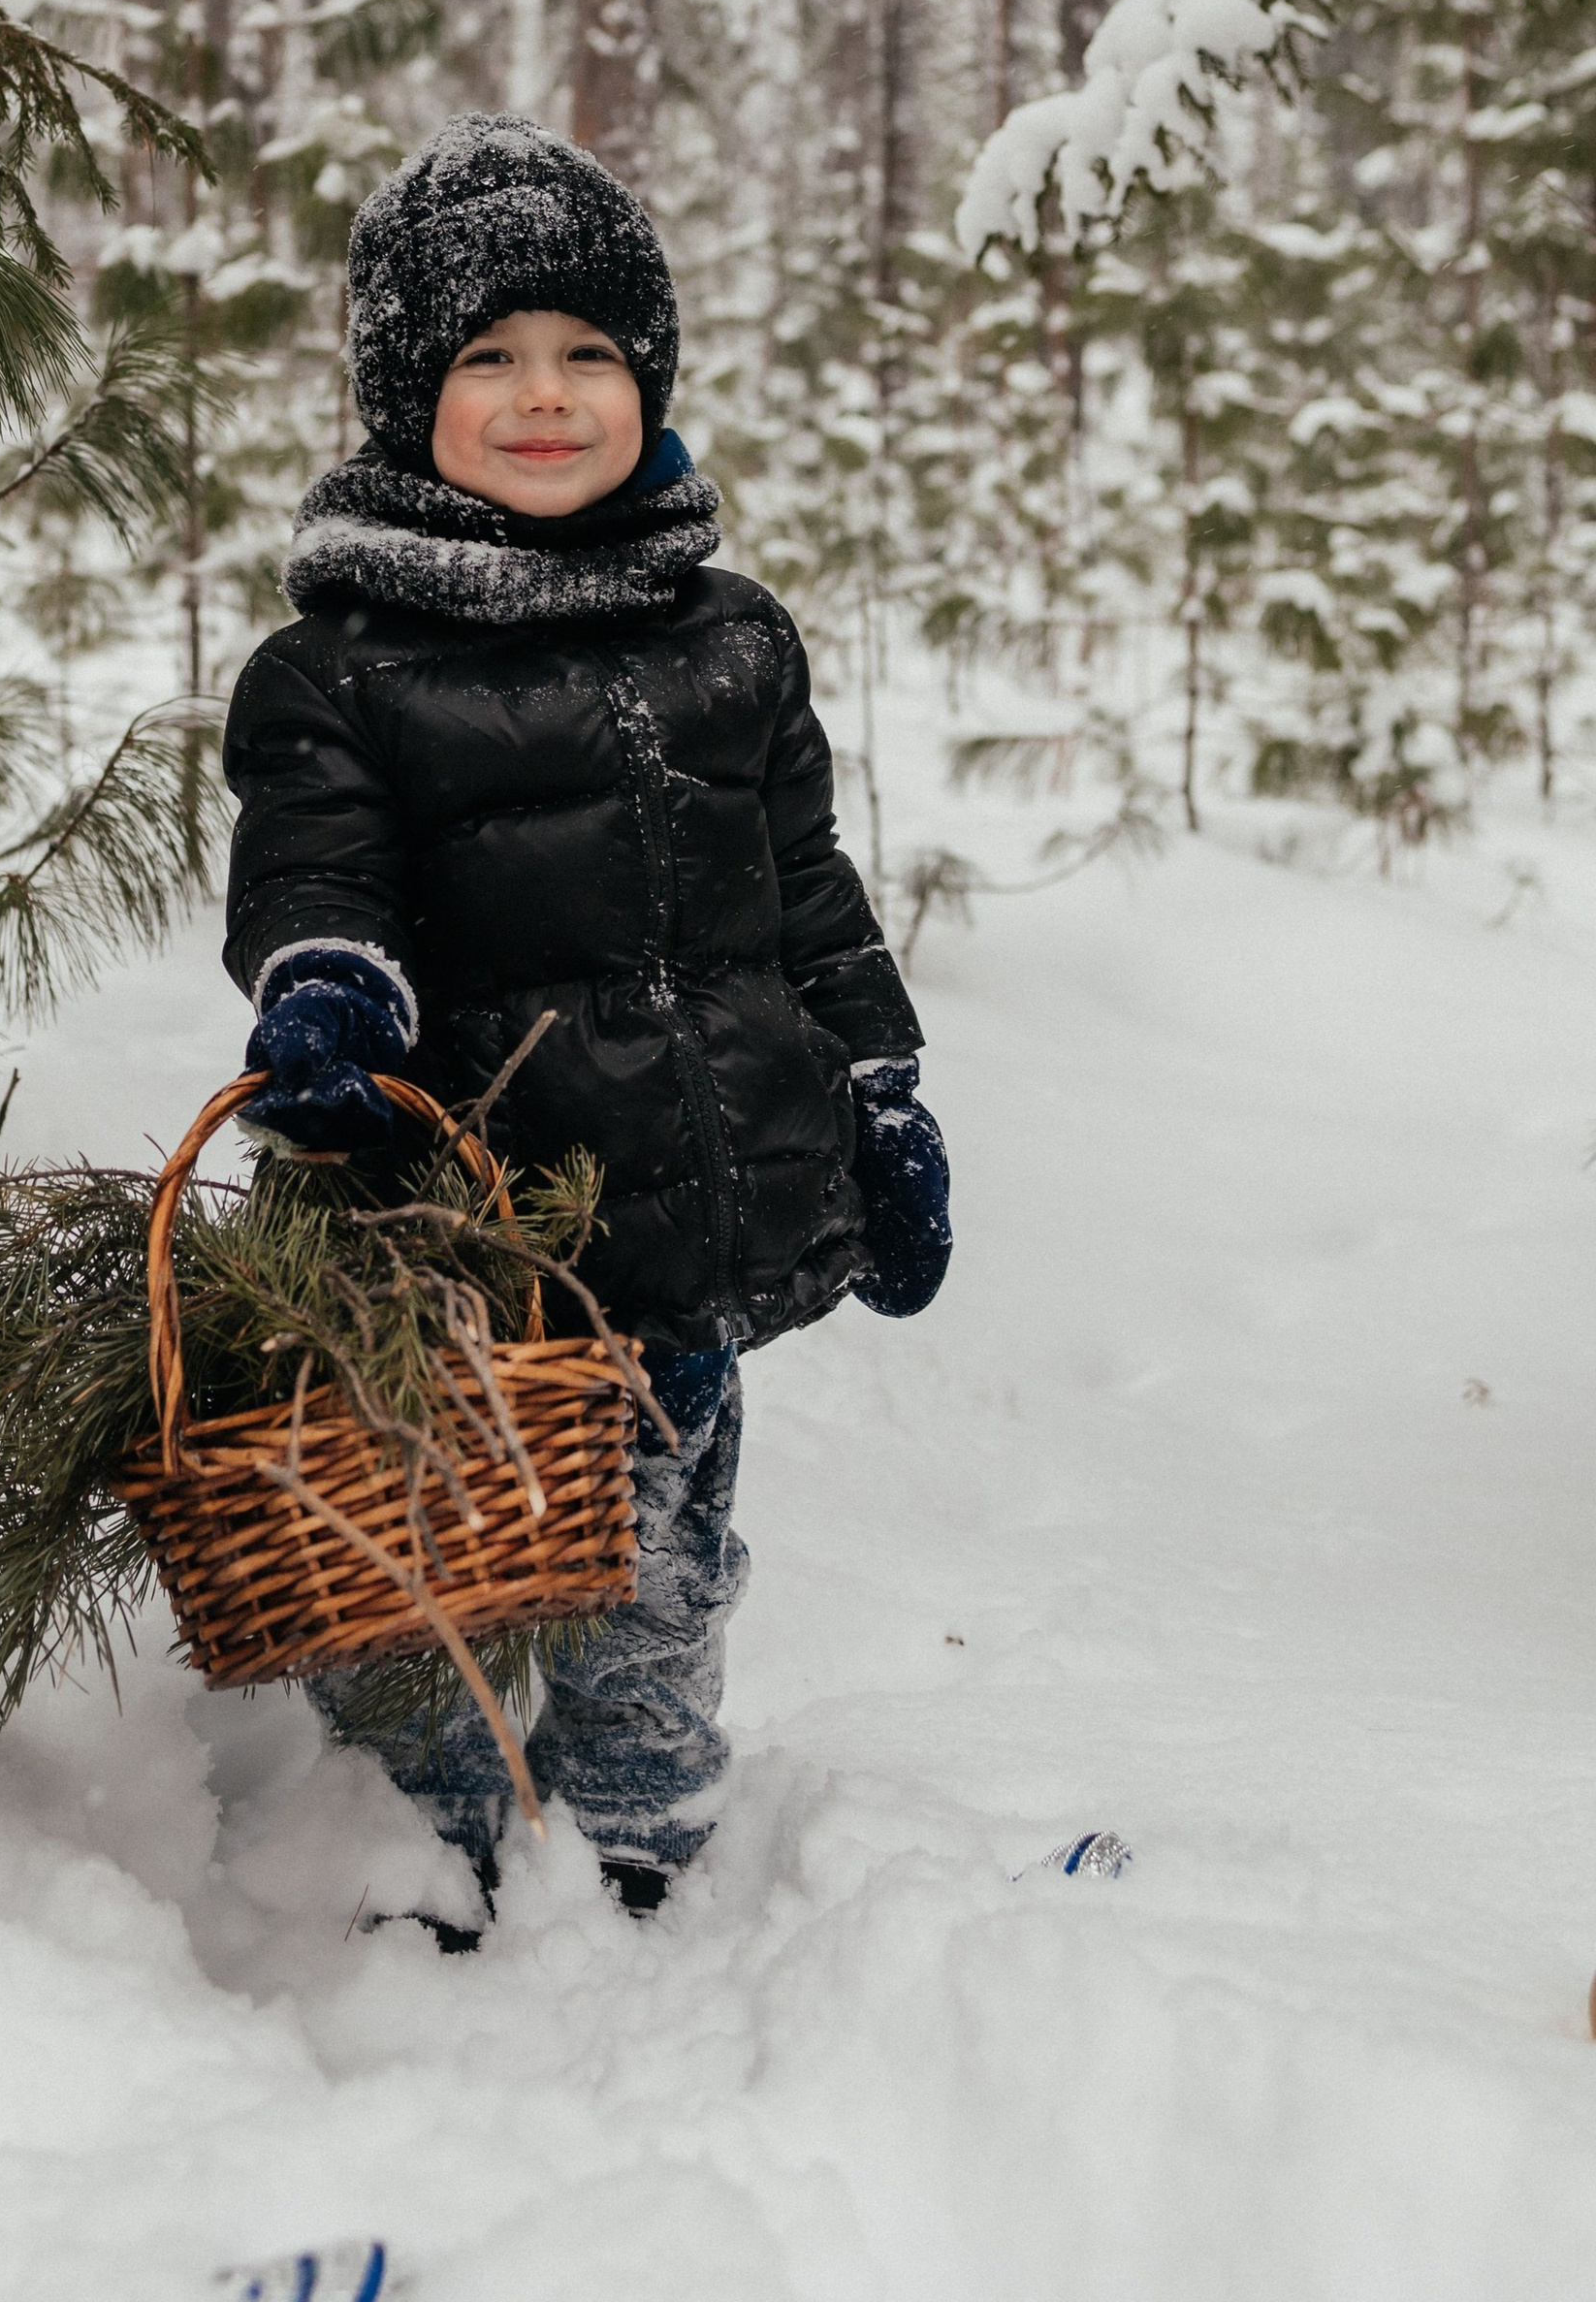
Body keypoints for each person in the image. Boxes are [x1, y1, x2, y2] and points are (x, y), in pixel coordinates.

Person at [220, 115, 947, 1938]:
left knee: (663, 1562)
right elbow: (317, 873)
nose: (544, 398)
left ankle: (643, 1823)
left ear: (650, 383)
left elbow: (811, 890)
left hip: (689, 1228)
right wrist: (331, 993)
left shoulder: (734, 643)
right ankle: (425, 1834)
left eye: (588, 356)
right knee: (435, 1564)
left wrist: (877, 1084)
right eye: (488, 358)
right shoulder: (340, 671)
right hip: (462, 1238)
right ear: (408, 395)